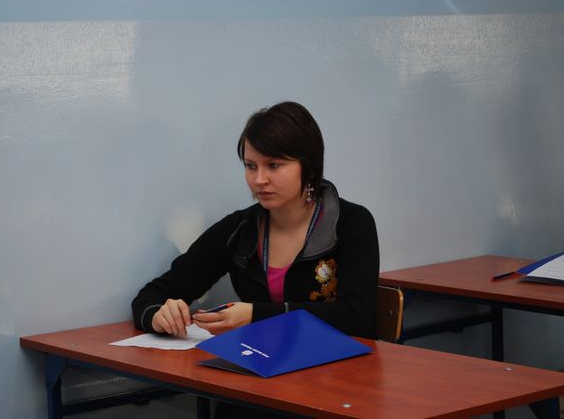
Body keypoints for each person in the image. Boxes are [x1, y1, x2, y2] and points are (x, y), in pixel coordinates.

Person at [132, 101, 379, 342]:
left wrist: (255, 315)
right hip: (265, 364)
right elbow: (152, 296)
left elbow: (355, 317)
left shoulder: (352, 223)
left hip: (340, 364)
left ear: (309, 166)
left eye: (274, 165)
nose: (259, 179)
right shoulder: (240, 229)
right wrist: (159, 316)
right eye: (251, 166)